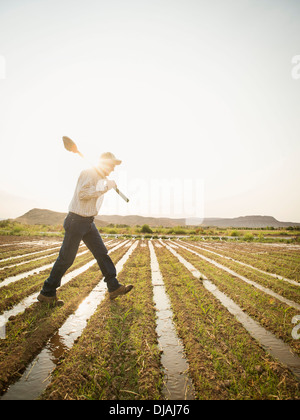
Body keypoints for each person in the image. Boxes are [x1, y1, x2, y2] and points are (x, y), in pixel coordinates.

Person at [37, 152, 133, 305]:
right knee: (66, 259)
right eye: (112, 166)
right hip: (76, 220)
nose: (113, 169)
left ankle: (113, 287)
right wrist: (106, 187)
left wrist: (105, 184)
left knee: (102, 253)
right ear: (105, 163)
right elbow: (83, 193)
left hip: (88, 222)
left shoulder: (100, 178)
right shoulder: (89, 173)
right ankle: (47, 293)